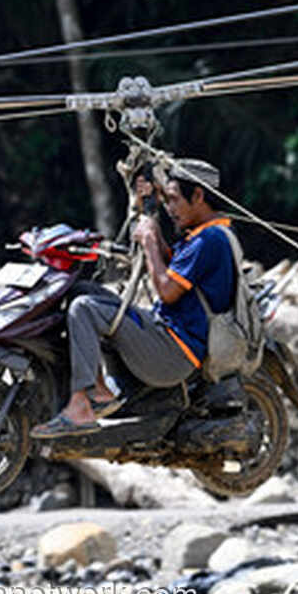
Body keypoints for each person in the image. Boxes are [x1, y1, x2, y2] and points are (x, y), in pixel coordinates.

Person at [29, 158, 235, 438]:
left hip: (175, 352)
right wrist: (148, 213)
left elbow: (166, 290)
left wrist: (150, 241)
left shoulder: (209, 240)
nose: (170, 209)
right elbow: (174, 265)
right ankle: (98, 389)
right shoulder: (204, 235)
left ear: (198, 196)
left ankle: (80, 407)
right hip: (163, 332)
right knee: (79, 290)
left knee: (84, 309)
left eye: (174, 200)